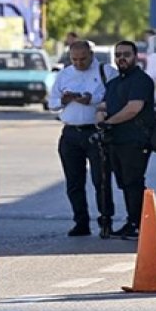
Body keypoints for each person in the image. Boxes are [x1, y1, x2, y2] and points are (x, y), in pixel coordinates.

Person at [49, 40, 119, 237]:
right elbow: (52, 103)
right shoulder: (65, 74)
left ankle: (106, 221)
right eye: (74, 59)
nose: (79, 63)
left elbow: (115, 99)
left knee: (101, 180)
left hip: (95, 131)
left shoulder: (106, 72)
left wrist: (93, 99)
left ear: (91, 55)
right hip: (71, 132)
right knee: (74, 182)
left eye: (83, 59)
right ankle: (81, 221)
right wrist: (63, 100)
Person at [98, 40, 156, 241]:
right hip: (117, 141)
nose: (121, 58)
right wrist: (100, 118)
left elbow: (134, 108)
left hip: (135, 140)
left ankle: (139, 224)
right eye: (118, 55)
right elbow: (104, 105)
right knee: (124, 182)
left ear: (135, 56)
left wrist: (109, 122)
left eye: (126, 54)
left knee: (133, 182)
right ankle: (133, 222)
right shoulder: (114, 83)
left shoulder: (140, 80)